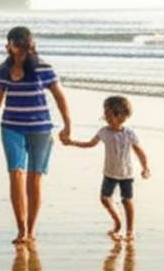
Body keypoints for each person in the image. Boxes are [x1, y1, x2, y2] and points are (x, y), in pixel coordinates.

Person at [0, 26, 73, 245]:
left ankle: (31, 229)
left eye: (23, 44)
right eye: (16, 44)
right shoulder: (3, 70)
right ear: (8, 46)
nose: (20, 49)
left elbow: (60, 97)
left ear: (30, 45)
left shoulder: (43, 68)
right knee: (16, 175)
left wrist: (68, 125)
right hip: (11, 128)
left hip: (41, 129)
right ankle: (21, 229)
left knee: (35, 179)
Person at [64, 95, 150, 241]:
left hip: (126, 174)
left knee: (127, 200)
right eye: (105, 114)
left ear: (122, 116)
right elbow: (90, 144)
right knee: (105, 198)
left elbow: (139, 151)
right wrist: (73, 143)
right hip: (109, 173)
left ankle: (129, 230)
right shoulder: (104, 132)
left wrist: (145, 167)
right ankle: (117, 221)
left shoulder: (129, 134)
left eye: (110, 114)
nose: (106, 117)